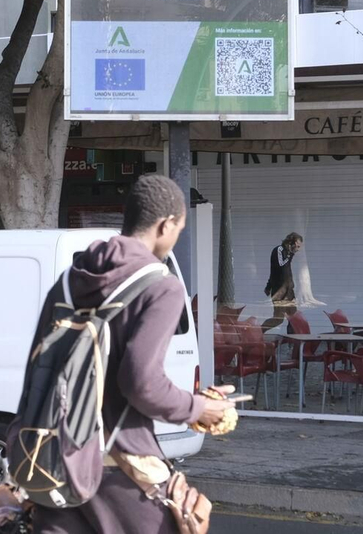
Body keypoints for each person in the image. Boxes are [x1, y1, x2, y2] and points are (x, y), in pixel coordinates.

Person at [27, 174, 233, 534]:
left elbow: (38, 369)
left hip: (53, 463)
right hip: (119, 466)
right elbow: (141, 383)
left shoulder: (70, 280)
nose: (176, 237)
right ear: (165, 225)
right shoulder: (161, 286)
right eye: (179, 229)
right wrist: (199, 408)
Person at [261, 233, 304, 332]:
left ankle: (292, 339)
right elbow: (279, 266)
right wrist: (269, 286)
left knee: (293, 318)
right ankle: (259, 331)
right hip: (279, 292)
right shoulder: (279, 250)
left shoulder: (289, 254)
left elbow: (285, 272)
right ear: (291, 242)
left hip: (289, 292)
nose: (298, 249)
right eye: (297, 246)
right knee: (278, 319)